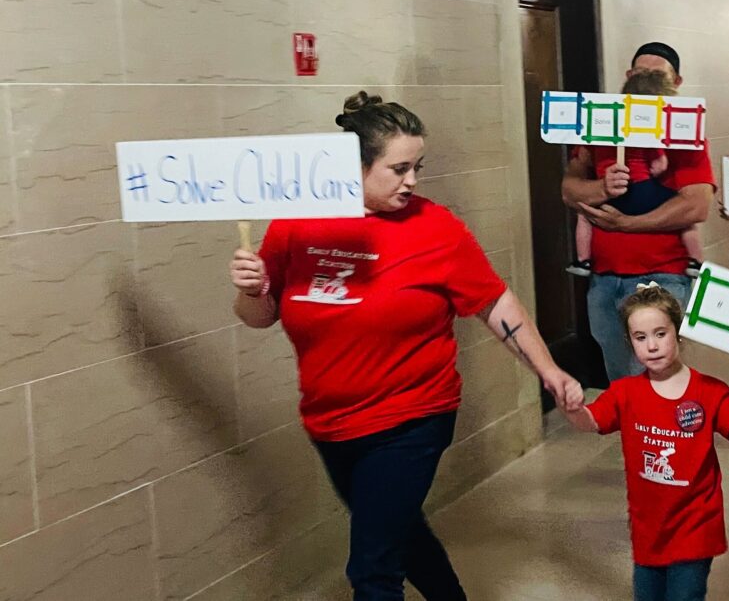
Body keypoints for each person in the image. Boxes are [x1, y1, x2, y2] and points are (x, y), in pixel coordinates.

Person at [229, 91, 584, 600]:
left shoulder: (434, 227)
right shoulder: (295, 223)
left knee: (373, 569)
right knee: (401, 533)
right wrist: (251, 289)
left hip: (412, 416)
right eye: (398, 169)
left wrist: (547, 370)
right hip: (330, 420)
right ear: (356, 165)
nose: (412, 180)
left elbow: (495, 303)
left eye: (417, 166)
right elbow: (259, 318)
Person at [559, 284, 729, 601]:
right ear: (629, 342)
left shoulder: (708, 391)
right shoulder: (625, 393)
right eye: (640, 338)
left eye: (660, 333)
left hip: (695, 524)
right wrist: (571, 407)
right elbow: (590, 422)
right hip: (648, 527)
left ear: (678, 333)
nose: (652, 346)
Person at [562, 42, 715, 382]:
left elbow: (697, 205)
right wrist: (603, 188)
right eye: (640, 73)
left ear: (676, 81)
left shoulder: (684, 133)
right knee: (621, 378)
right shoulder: (601, 124)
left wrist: (627, 223)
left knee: (651, 375)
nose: (646, 80)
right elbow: (570, 189)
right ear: (628, 77)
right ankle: (635, 434)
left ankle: (660, 434)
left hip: (661, 278)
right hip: (604, 280)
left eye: (656, 74)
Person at [568, 69, 704, 279]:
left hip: (611, 199)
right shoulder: (648, 130)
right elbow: (660, 165)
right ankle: (696, 261)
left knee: (583, 215)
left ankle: (582, 260)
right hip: (640, 190)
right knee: (685, 219)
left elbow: (584, 162)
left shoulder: (601, 129)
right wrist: (656, 170)